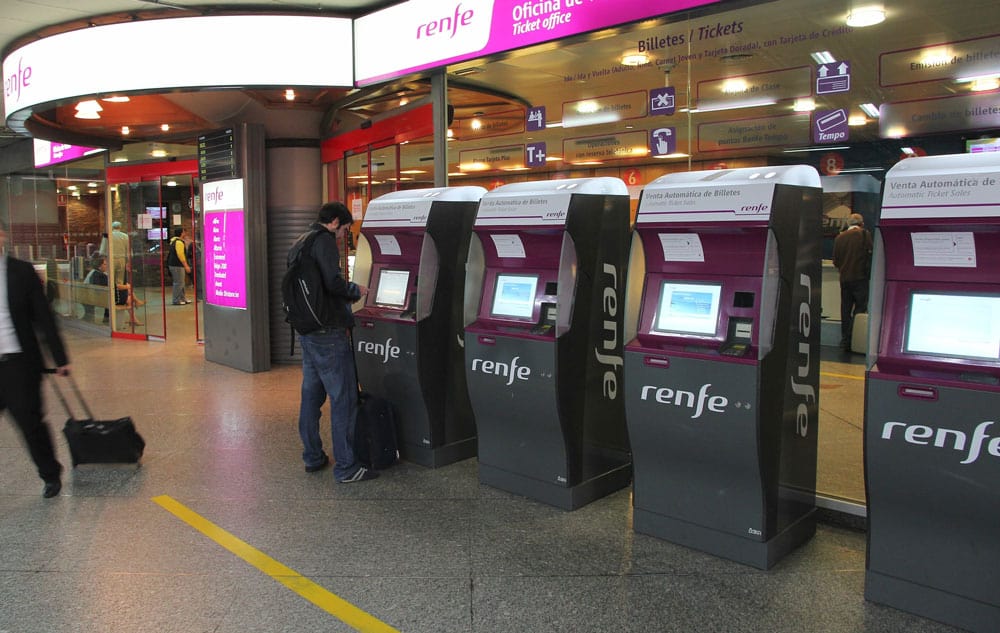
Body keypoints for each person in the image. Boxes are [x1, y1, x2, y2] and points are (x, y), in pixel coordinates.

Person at [292, 201, 377, 483]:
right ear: (334, 223)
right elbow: (333, 283)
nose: (343, 236)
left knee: (311, 396)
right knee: (344, 399)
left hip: (307, 331)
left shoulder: (301, 241)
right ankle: (347, 467)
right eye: (344, 230)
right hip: (329, 332)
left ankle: (313, 457)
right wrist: (357, 291)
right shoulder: (324, 242)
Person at [0, 220, 69, 498]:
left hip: (19, 363)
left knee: (30, 424)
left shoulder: (20, 272)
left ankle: (50, 474)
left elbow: (42, 315)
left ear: (2, 236)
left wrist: (59, 356)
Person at [832, 213, 873, 352]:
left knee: (845, 309)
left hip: (844, 279)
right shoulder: (864, 234)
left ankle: (845, 341)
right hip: (860, 278)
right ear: (861, 223)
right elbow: (870, 253)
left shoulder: (839, 238)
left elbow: (836, 261)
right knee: (860, 309)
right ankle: (855, 340)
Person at [84, 255, 142, 327]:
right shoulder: (101, 275)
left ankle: (134, 316)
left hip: (99, 297)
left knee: (128, 294)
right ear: (99, 266)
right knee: (129, 298)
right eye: (105, 264)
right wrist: (127, 286)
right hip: (103, 299)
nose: (107, 266)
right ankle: (134, 314)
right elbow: (113, 286)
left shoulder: (95, 273)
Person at [166, 227, 191, 305]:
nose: (185, 233)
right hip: (177, 265)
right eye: (184, 232)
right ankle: (176, 300)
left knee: (181, 282)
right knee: (178, 283)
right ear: (181, 233)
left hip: (175, 265)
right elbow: (180, 255)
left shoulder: (174, 241)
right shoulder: (179, 242)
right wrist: (186, 265)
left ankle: (182, 298)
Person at [109, 221, 129, 289]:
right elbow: (128, 250)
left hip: (111, 259)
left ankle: (112, 294)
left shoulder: (108, 235)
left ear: (112, 227)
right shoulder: (125, 236)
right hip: (121, 259)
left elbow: (103, 249)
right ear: (120, 227)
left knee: (110, 278)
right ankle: (119, 295)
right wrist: (128, 261)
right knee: (119, 280)